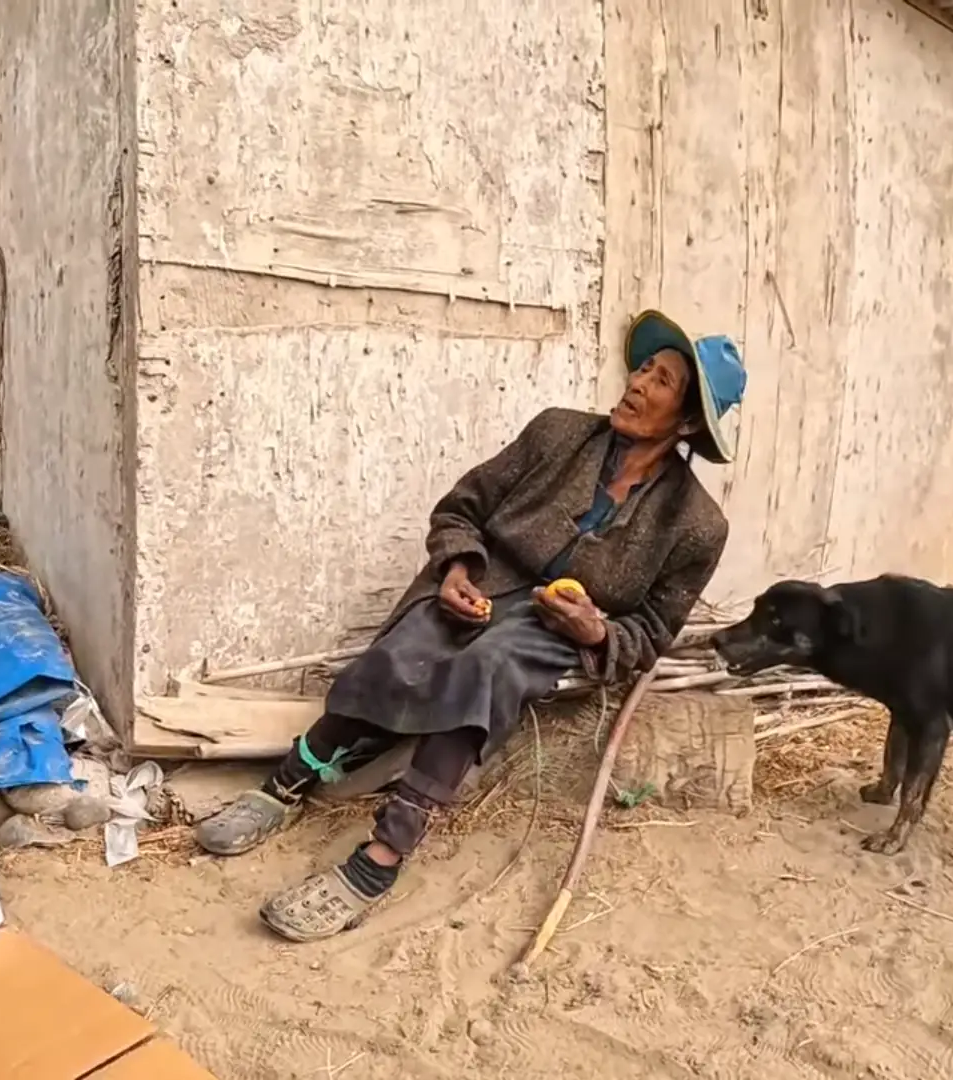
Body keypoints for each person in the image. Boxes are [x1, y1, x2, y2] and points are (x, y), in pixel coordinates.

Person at [193, 310, 745, 943]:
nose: (639, 382)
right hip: (485, 587)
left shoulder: (697, 525)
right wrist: (457, 568)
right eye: (644, 367)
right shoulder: (558, 434)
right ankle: (286, 783)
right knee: (409, 648)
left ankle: (382, 857)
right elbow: (463, 507)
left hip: (553, 634)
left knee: (487, 669)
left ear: (688, 421)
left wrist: (594, 630)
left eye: (663, 380)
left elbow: (650, 632)